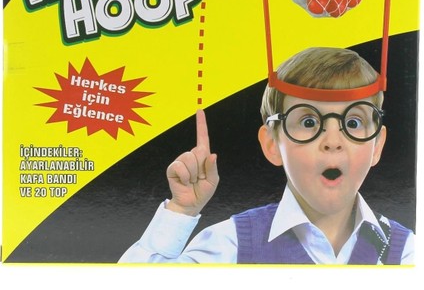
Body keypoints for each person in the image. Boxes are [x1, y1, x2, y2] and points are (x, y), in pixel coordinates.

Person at [119, 47, 415, 265]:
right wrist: (180, 210)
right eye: (309, 122)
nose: (333, 142)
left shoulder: (406, 252)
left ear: (377, 145)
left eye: (353, 122)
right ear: (272, 144)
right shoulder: (232, 244)